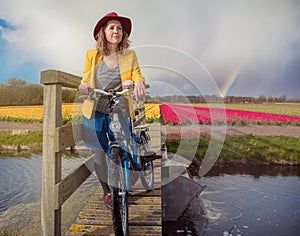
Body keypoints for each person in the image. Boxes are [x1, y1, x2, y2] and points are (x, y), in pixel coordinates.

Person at [78, 12, 146, 209]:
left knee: (122, 146)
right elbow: (85, 77)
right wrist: (83, 86)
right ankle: (107, 192)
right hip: (96, 107)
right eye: (111, 28)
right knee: (99, 155)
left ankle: (126, 180)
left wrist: (139, 81)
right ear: (103, 32)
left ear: (123, 34)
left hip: (120, 106)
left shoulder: (129, 55)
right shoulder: (91, 55)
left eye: (119, 28)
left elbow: (137, 74)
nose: (116, 31)